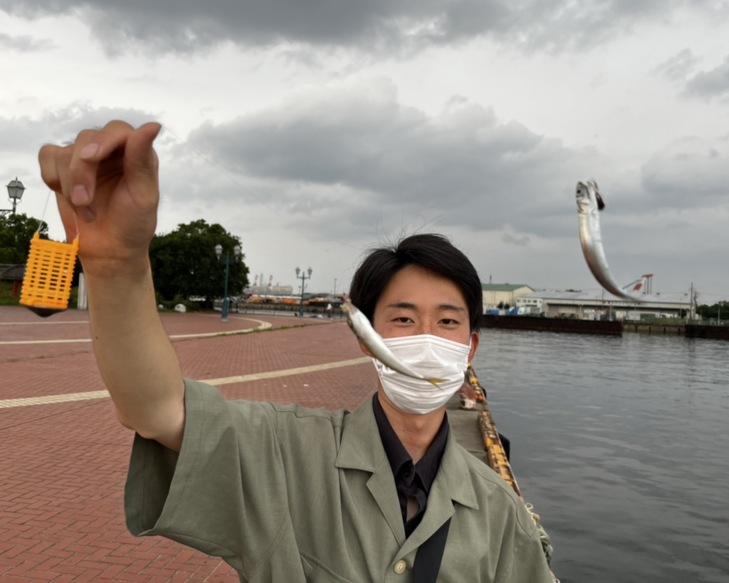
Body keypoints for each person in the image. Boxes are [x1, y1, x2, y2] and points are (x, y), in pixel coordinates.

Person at [39, 121, 554, 582]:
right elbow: (156, 411)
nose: (425, 338)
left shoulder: (502, 515)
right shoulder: (283, 451)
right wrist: (118, 266)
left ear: (471, 347)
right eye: (401, 319)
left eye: (447, 322)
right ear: (365, 338)